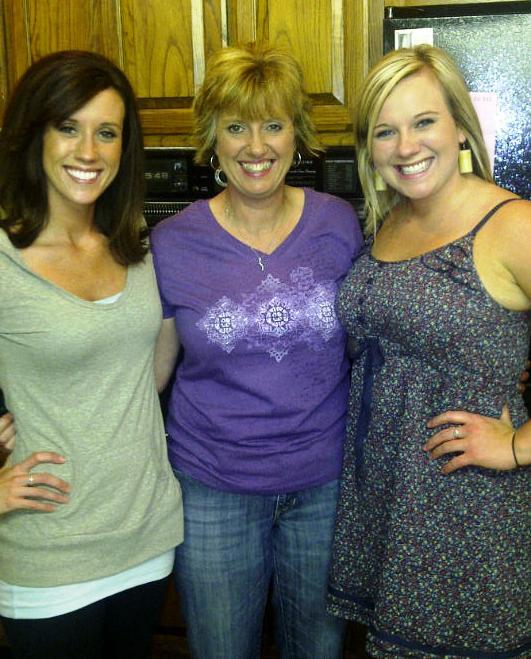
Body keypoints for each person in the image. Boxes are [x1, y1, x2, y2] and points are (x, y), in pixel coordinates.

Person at [151, 43, 363, 658]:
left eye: (273, 124)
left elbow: (371, 337)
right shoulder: (171, 242)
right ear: (211, 138)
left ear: (296, 133)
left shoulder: (338, 223)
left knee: (317, 651)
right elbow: (149, 375)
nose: (256, 146)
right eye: (236, 126)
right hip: (213, 489)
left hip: (324, 487)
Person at [327, 45, 530, 657]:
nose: (406, 146)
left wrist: (517, 447)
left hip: (466, 509)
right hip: (388, 501)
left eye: (423, 122)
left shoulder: (511, 225)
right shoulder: (389, 220)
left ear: (459, 126)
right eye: (385, 131)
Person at [0, 50, 183, 659]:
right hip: (50, 551)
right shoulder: (5, 257)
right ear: (34, 134)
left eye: (107, 132)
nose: (88, 151)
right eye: (68, 127)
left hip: (147, 534)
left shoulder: (135, 243)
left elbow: (150, 372)